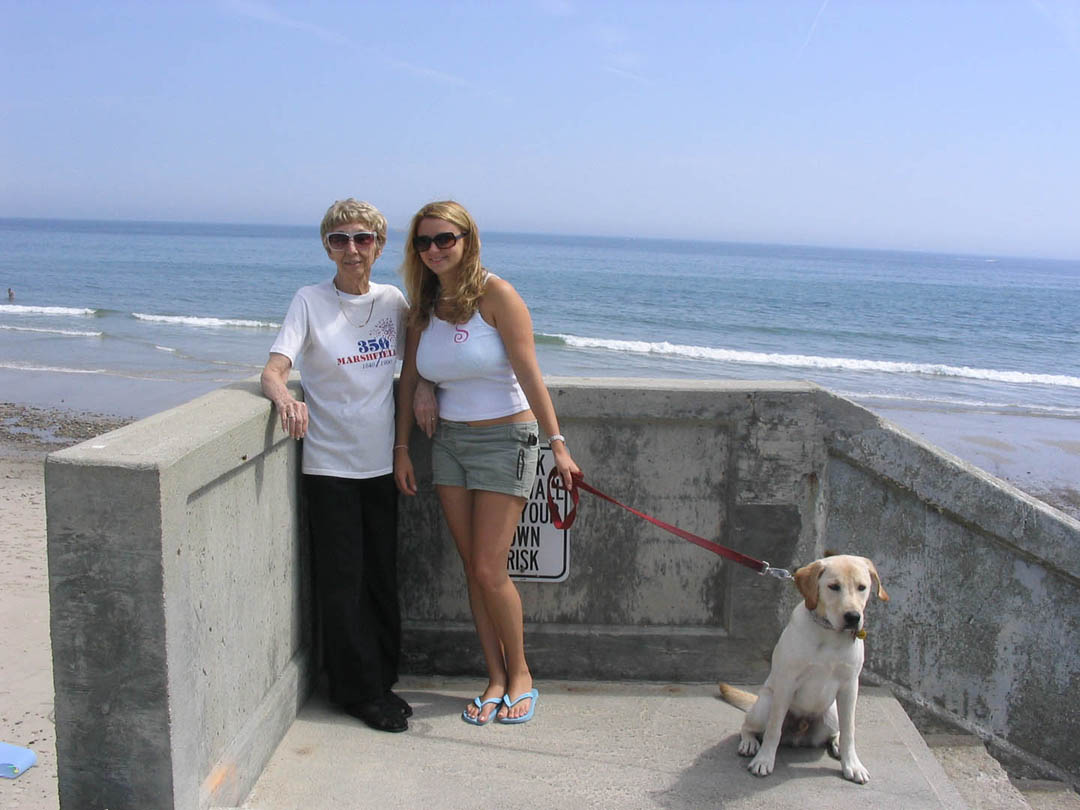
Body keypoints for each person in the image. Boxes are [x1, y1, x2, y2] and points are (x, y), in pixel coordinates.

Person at [394, 200, 580, 725]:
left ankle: (520, 673)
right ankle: (494, 677)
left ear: (467, 240)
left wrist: (557, 445)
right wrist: (403, 446)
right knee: (472, 570)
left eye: (444, 239)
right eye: (423, 242)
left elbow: (529, 370)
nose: (433, 250)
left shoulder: (496, 294)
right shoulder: (424, 304)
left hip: (506, 439)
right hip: (448, 443)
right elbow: (411, 376)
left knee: (487, 567)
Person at [261, 198, 412, 733]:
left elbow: (418, 362)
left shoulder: (393, 301)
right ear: (327, 246)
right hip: (329, 465)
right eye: (339, 239)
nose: (352, 248)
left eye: (363, 238)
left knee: (380, 576)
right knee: (342, 581)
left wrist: (428, 395)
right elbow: (274, 369)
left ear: (378, 245)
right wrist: (284, 398)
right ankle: (356, 692)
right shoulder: (309, 300)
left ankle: (381, 678)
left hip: (381, 463)